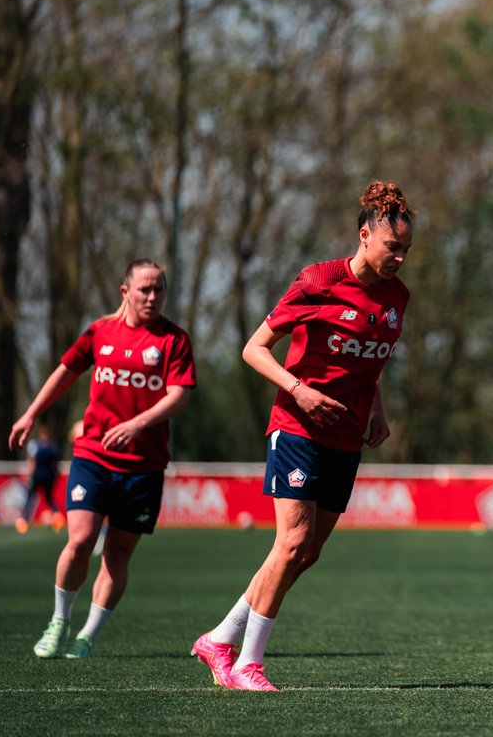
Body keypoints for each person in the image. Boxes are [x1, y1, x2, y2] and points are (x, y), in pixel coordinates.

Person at [192, 180, 414, 692]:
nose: (400, 258)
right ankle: (247, 665)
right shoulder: (319, 281)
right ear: (364, 235)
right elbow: (253, 349)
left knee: (307, 552)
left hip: (346, 437)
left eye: (405, 250)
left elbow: (369, 365)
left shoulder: (398, 298)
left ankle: (219, 638)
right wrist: (300, 390)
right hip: (296, 427)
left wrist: (376, 410)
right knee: (290, 543)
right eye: (392, 247)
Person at [8, 259, 197, 659]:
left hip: (143, 466)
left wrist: (136, 424)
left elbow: (180, 397)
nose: (151, 296)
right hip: (93, 455)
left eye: (158, 289)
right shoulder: (101, 332)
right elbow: (65, 371)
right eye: (144, 289)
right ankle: (59, 620)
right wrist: (31, 413)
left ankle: (88, 635)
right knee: (79, 540)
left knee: (118, 555)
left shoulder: (174, 340)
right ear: (124, 291)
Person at [16, 425, 63, 534]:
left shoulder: (35, 445)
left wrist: (29, 475)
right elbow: (57, 464)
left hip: (37, 476)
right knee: (49, 498)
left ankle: (24, 521)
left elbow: (32, 461)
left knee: (31, 497)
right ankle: (57, 516)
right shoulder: (53, 447)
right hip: (49, 477)